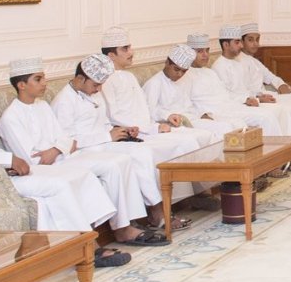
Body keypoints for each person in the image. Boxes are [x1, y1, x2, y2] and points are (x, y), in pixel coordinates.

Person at [0, 55, 131, 268]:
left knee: (79, 175)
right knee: (59, 186)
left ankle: (88, 243)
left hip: (1, 172)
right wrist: (6, 160)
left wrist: (7, 162)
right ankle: (87, 249)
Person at [0, 58, 169, 248]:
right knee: (98, 170)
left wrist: (56, 149)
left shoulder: (42, 106)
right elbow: (33, 159)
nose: (45, 83)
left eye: (43, 77)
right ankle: (94, 242)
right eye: (38, 79)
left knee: (118, 162)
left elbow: (64, 139)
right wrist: (59, 148)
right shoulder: (10, 118)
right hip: (47, 167)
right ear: (21, 85)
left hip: (63, 156)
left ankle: (124, 227)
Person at [51, 53, 194, 219]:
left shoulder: (92, 93)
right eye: (96, 85)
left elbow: (104, 123)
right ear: (80, 79)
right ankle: (156, 212)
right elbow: (69, 142)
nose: (99, 89)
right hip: (84, 150)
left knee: (142, 151)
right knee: (135, 156)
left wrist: (122, 130)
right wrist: (107, 136)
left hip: (104, 143)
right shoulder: (64, 101)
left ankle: (159, 208)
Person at [212, 25, 291, 160]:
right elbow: (227, 95)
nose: (241, 46)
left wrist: (280, 85)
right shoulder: (219, 66)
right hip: (243, 104)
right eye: (238, 42)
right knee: (282, 110)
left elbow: (266, 77)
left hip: (254, 99)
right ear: (226, 45)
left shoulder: (239, 61)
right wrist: (256, 98)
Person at [99, 27, 218, 157]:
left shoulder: (129, 76)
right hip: (134, 132)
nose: (131, 52)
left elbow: (146, 107)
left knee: (196, 139)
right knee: (186, 143)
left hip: (149, 128)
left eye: (130, 47)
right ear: (111, 55)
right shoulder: (105, 80)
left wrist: (160, 120)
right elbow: (113, 116)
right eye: (125, 49)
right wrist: (151, 128)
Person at [143, 42, 245, 136]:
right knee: (219, 130)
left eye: (184, 71)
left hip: (192, 118)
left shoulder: (185, 80)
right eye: (176, 69)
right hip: (174, 124)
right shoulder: (154, 83)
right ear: (167, 63)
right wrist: (167, 115)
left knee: (229, 125)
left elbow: (190, 104)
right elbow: (149, 111)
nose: (179, 74)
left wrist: (201, 114)